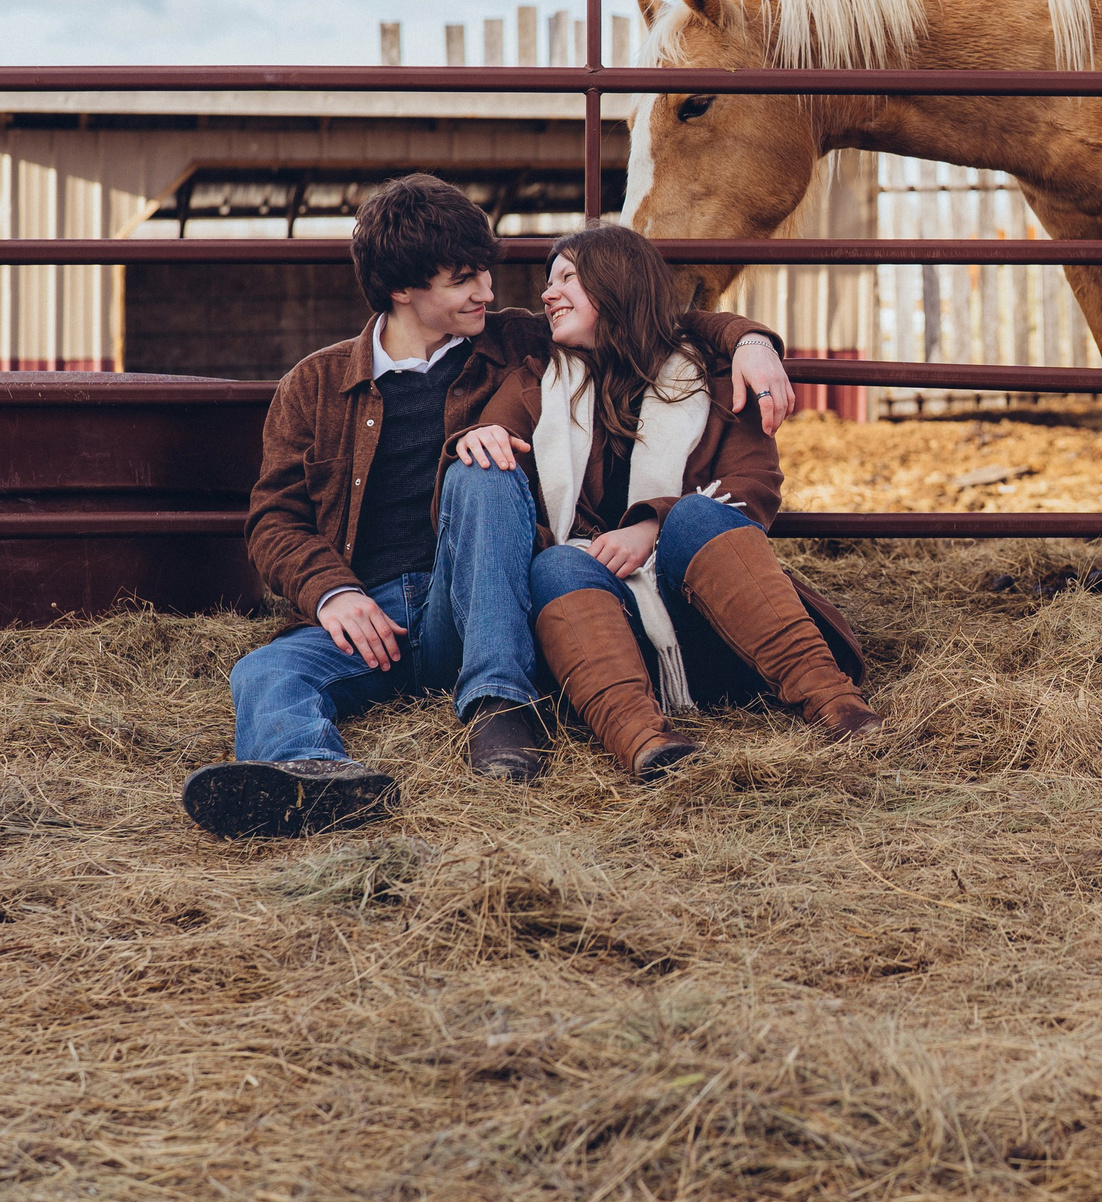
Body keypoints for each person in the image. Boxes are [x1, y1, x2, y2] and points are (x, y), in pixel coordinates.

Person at [180, 174, 791, 838]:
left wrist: (752, 341)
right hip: (373, 614)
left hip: (474, 601)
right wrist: (333, 595)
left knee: (482, 467)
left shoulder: (516, 343)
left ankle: (500, 703)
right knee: (266, 668)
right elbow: (275, 519)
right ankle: (313, 779)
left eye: (486, 273)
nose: (489, 292)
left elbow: (645, 315)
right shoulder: (316, 384)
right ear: (402, 290)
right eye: (464, 279)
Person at [450, 223, 879, 779]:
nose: (547, 293)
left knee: (701, 513)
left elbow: (751, 493)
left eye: (568, 279)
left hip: (721, 629)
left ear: (616, 285)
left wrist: (652, 526)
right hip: (605, 642)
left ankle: (835, 703)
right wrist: (476, 438)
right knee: (557, 562)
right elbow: (503, 506)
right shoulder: (535, 381)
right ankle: (645, 741)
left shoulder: (715, 377)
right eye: (548, 282)